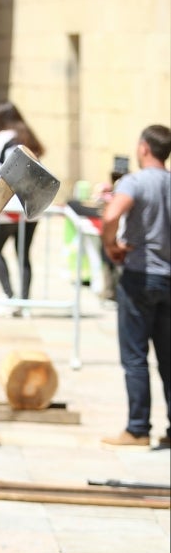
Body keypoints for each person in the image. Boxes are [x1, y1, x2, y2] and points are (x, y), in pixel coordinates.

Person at [100, 124, 171, 449]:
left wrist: (110, 244)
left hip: (140, 275)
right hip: (168, 278)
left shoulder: (136, 181)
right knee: (168, 358)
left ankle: (138, 428)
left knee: (135, 357)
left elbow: (113, 213)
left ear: (144, 148)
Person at [0, 101, 46, 315]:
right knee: (23, 254)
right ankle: (25, 303)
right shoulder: (28, 139)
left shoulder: (0, 139)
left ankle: (9, 296)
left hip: (9, 208)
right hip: (32, 206)